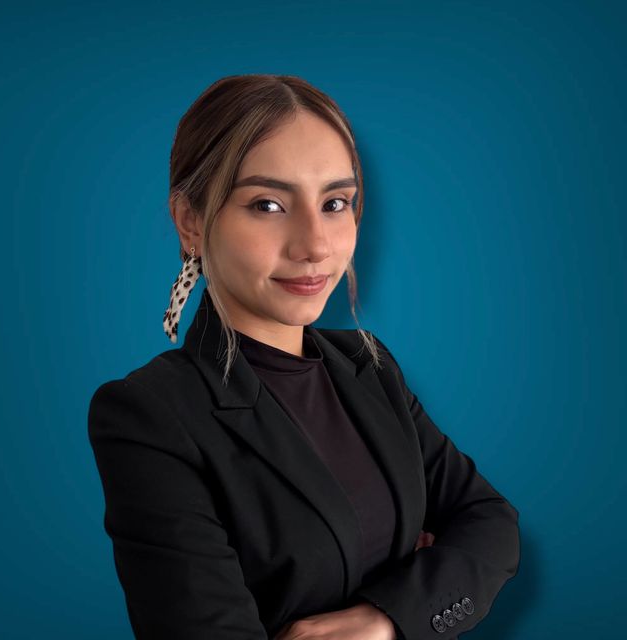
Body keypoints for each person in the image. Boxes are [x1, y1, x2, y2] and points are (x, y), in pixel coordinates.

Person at [88, 74, 520, 640]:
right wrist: (428, 569)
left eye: (335, 203)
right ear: (190, 220)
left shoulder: (370, 365)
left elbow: (489, 523)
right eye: (268, 204)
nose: (315, 245)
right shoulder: (151, 416)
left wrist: (385, 620)